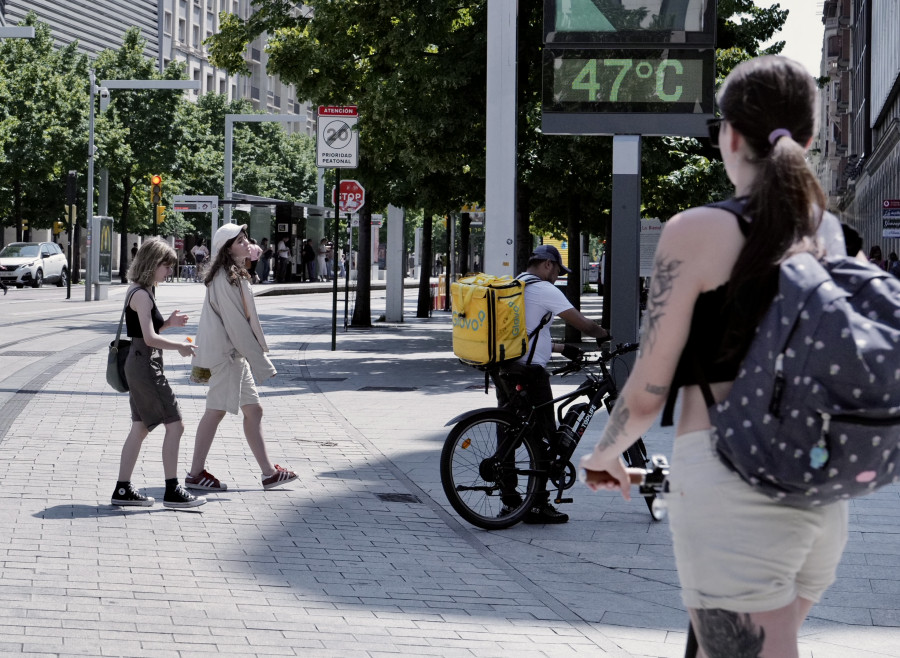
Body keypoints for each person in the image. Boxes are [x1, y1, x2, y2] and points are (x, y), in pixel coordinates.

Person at [579, 56, 849, 657]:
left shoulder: (696, 231)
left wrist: (604, 454)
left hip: (733, 486)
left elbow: (650, 387)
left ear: (729, 135)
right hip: (817, 489)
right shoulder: (828, 235)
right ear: (807, 138)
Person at [496, 244, 610, 524]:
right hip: (531, 374)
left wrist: (561, 347)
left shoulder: (516, 284)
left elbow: (525, 332)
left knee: (510, 431)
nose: (558, 277)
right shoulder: (545, 289)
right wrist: (606, 333)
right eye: (559, 270)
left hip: (506, 368)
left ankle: (510, 501)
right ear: (548, 265)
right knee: (545, 435)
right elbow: (583, 324)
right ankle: (537, 505)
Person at [185, 223, 298, 492]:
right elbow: (237, 325)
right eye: (239, 241)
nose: (246, 243)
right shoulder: (225, 278)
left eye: (245, 238)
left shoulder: (232, 274)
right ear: (227, 249)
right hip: (227, 354)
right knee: (215, 410)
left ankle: (269, 473)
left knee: (253, 410)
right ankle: (194, 473)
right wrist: (262, 361)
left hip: (234, 354)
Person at [110, 237, 206, 509]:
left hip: (140, 364)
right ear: (153, 263)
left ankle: (122, 489)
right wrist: (180, 346)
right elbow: (149, 339)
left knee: (140, 427)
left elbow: (145, 333)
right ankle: (172, 490)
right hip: (145, 366)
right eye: (166, 266)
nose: (169, 271)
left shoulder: (140, 290)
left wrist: (170, 324)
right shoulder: (141, 294)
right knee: (175, 423)